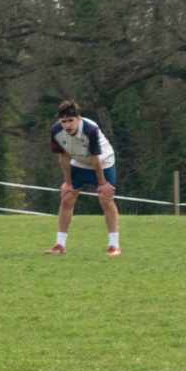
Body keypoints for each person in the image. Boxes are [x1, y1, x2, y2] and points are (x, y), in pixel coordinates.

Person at [50, 100, 121, 256]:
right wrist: (68, 183)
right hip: (80, 163)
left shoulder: (90, 129)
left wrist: (102, 183)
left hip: (103, 162)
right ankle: (60, 245)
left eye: (71, 120)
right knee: (67, 198)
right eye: (64, 121)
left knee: (106, 199)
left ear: (78, 118)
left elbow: (95, 158)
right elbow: (63, 157)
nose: (67, 125)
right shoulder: (56, 131)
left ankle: (114, 246)